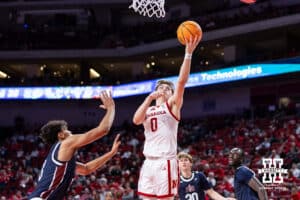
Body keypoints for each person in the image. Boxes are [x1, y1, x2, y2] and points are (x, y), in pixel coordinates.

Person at [133, 36, 201, 199]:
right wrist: (149, 98)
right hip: (149, 161)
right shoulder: (148, 109)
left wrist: (188, 54)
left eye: (167, 89)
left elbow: (181, 82)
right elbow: (136, 120)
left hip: (166, 161)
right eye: (160, 87)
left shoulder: (171, 106)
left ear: (171, 95)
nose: (163, 89)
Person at [28, 91, 121, 200]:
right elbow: (103, 130)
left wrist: (111, 153)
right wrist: (111, 109)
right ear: (61, 135)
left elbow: (86, 169)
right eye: (66, 129)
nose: (70, 131)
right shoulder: (65, 143)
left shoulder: (62, 159)